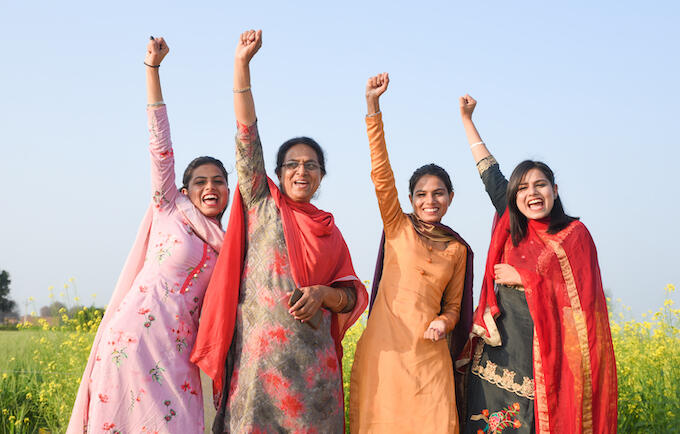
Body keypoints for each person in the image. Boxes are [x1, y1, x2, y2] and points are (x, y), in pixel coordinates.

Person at [190, 30, 368, 433]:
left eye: (311, 165)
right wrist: (241, 66)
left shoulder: (329, 230)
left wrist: (324, 293)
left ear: (321, 176)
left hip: (314, 375)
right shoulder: (261, 204)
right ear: (277, 173)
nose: (301, 171)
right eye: (292, 164)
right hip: (259, 369)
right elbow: (246, 135)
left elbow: (351, 295)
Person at [67, 37, 230, 433]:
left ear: (228, 190)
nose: (211, 187)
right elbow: (160, 146)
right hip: (133, 340)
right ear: (184, 189)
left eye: (220, 181)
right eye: (201, 182)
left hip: (179, 354)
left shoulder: (231, 245)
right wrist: (152, 70)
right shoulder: (170, 209)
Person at [458, 95, 617, 433]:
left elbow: (584, 302)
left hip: (542, 354)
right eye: (524, 187)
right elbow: (490, 171)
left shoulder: (573, 234)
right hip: (496, 349)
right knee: (485, 423)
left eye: (540, 185)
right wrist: (467, 120)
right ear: (514, 196)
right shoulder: (511, 222)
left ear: (555, 190)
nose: (532, 192)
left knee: (530, 424)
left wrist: (525, 277)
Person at [349, 73, 474, 434]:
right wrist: (373, 107)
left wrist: (444, 323)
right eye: (421, 194)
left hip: (429, 356)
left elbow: (453, 307)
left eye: (438, 193)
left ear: (451, 198)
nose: (429, 201)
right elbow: (381, 175)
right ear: (410, 200)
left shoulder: (457, 249)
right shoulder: (398, 227)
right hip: (385, 352)